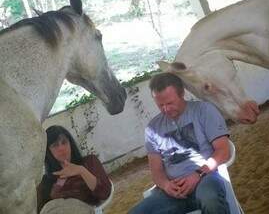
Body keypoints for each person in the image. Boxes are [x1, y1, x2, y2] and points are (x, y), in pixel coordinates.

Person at [129, 72, 231, 214]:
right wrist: (166, 185)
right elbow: (156, 170)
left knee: (210, 198)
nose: (166, 109)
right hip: (173, 190)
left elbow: (223, 151)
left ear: (182, 93)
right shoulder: (152, 128)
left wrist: (198, 174)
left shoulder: (203, 111)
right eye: (160, 105)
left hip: (205, 177)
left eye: (170, 103)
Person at [37, 125, 112, 214]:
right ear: (49, 152)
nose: (61, 148)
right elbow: (41, 210)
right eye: (55, 145)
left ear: (70, 144)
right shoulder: (46, 181)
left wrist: (81, 171)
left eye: (64, 142)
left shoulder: (89, 162)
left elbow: (105, 193)